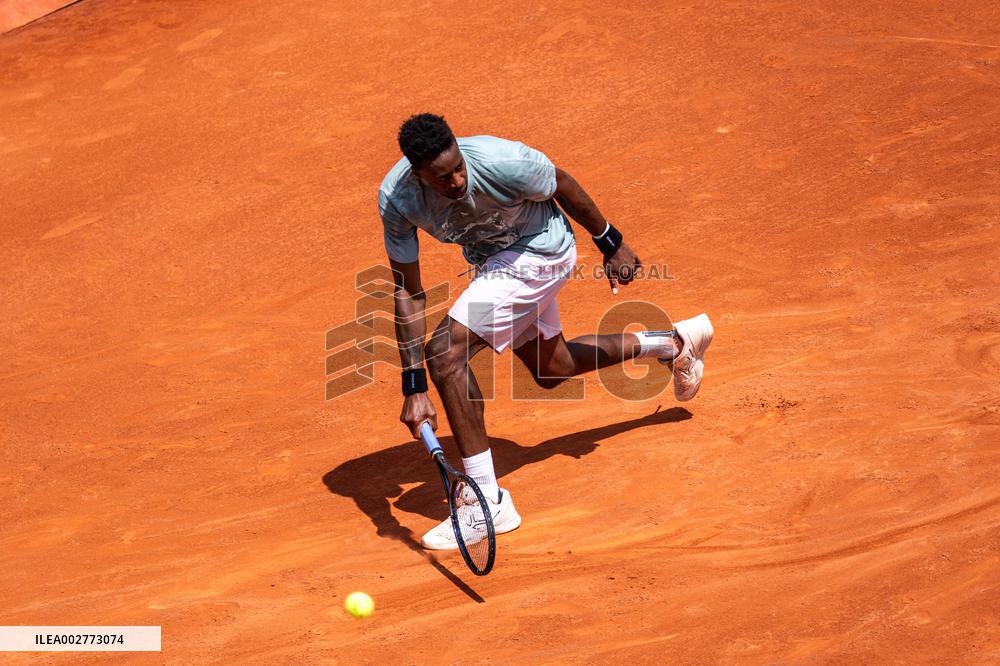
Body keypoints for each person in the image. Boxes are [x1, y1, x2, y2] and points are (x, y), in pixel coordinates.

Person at [379, 113, 713, 550]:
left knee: (445, 353)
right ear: (417, 175)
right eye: (441, 179)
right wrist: (412, 384)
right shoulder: (398, 199)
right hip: (495, 262)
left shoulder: (503, 161)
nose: (457, 181)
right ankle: (673, 344)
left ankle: (486, 502)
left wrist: (610, 241)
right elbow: (408, 290)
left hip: (541, 251)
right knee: (551, 368)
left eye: (458, 167)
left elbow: (561, 183)